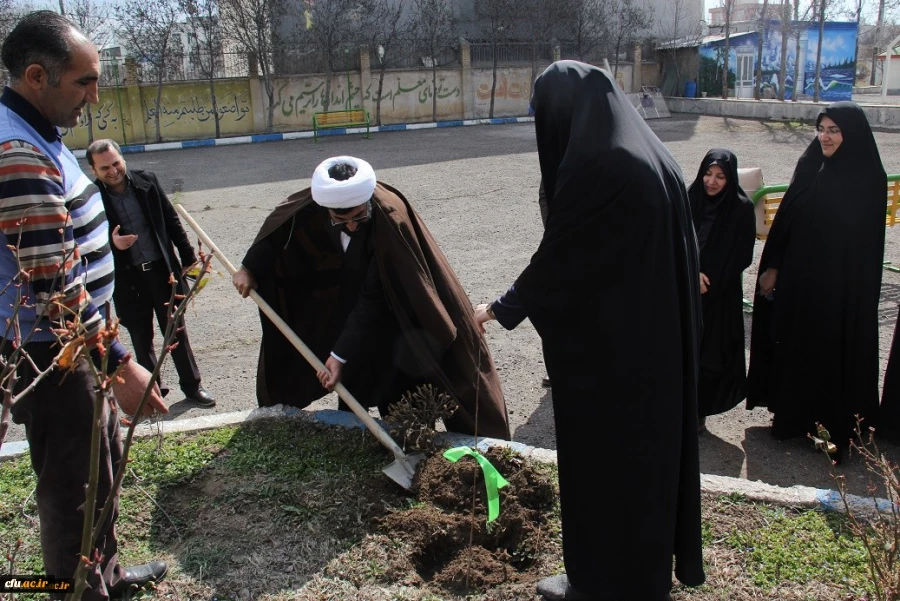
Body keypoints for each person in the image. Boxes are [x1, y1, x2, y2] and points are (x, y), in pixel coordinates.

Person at [475, 61, 705, 601]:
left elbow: (563, 257)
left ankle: (600, 583)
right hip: (656, 349)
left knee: (609, 469)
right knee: (646, 468)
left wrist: (501, 308)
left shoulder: (600, 167)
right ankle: (640, 579)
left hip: (616, 363)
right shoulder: (648, 153)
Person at [0, 12, 168, 599]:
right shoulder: (17, 150)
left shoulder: (38, 135)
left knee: (98, 466)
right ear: (38, 76)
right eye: (84, 82)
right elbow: (56, 287)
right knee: (75, 482)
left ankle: (105, 576)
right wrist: (120, 365)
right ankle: (74, 591)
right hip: (57, 355)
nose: (95, 98)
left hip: (75, 348)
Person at [232, 156, 510, 440]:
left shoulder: (388, 218)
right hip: (350, 318)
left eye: (358, 217)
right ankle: (353, 445)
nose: (352, 226)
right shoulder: (317, 204)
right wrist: (250, 267)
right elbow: (281, 226)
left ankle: (410, 445)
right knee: (351, 401)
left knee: (403, 405)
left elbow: (372, 299)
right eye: (341, 219)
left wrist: (339, 356)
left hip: (398, 318)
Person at [747, 102, 886, 457]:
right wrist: (774, 267)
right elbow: (786, 224)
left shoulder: (868, 177)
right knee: (796, 347)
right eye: (821, 129)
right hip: (799, 285)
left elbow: (864, 246)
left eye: (834, 130)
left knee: (831, 355)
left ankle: (834, 428)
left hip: (839, 291)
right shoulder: (810, 166)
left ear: (850, 134)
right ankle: (794, 419)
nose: (825, 136)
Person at [86, 139, 215, 407]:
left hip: (161, 272)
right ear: (93, 170)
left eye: (116, 163)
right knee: (141, 336)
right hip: (126, 279)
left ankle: (193, 388)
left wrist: (189, 257)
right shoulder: (91, 197)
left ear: (123, 159)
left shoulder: (147, 182)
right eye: (104, 168)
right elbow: (85, 242)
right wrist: (113, 244)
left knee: (176, 330)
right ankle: (154, 390)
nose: (112, 171)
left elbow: (171, 220)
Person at [688, 149, 756, 433]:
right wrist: (690, 271)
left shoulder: (740, 208)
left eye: (719, 176)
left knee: (709, 354)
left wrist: (710, 277)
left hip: (718, 295)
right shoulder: (690, 199)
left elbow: (743, 255)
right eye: (707, 173)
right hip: (686, 287)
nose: (711, 182)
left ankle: (699, 411)